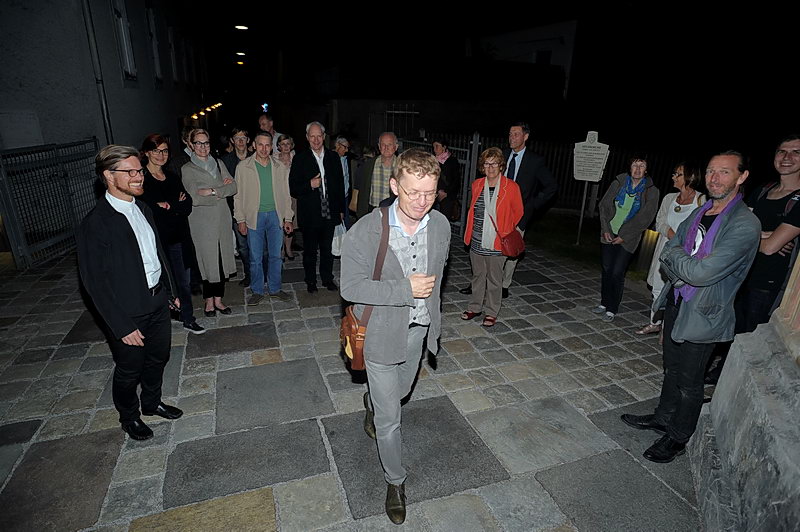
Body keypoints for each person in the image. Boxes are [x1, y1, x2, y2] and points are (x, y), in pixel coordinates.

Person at [620, 151, 760, 464]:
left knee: (690, 381)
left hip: (705, 313)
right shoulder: (702, 211)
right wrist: (683, 267)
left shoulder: (744, 224)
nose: (714, 178)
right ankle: (663, 417)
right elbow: (670, 248)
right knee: (671, 367)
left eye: (724, 172)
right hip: (678, 301)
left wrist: (681, 264)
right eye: (711, 171)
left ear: (742, 177)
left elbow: (702, 272)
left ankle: (678, 437)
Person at [340, 148, 450, 525]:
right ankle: (395, 481)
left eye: (429, 193)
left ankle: (373, 398)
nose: (422, 201)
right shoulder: (366, 230)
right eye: (413, 192)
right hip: (379, 334)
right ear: (393, 186)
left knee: (399, 393)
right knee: (391, 418)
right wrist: (404, 289)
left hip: (416, 331)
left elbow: (438, 282)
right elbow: (350, 287)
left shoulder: (441, 226)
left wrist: (433, 324)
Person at [77, 145, 184, 441]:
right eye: (131, 172)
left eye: (139, 170)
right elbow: (95, 283)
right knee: (129, 368)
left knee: (158, 357)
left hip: (157, 300)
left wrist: (170, 291)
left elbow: (157, 254)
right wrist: (121, 325)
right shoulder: (96, 223)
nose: (139, 176)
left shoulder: (143, 208)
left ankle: (151, 402)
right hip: (128, 311)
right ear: (108, 176)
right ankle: (129, 417)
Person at [705, 135, 800, 384]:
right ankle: (718, 373)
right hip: (739, 274)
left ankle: (732, 383)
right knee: (727, 329)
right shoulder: (762, 190)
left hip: (767, 284)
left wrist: (755, 237)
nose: (787, 157)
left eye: (795, 152)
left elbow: (769, 248)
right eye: (782, 151)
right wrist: (766, 235)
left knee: (748, 338)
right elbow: (731, 229)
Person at [459, 122, 556, 298]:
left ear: (526, 136)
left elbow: (551, 186)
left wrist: (532, 205)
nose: (512, 138)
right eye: (510, 134)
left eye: (516, 134)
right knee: (483, 250)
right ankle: (478, 284)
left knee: (509, 251)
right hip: (493, 213)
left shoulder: (535, 161)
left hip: (518, 214)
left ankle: (503, 284)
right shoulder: (501, 155)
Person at [139, 134, 204, 334]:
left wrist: (168, 206)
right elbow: (150, 210)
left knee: (183, 281)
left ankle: (188, 317)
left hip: (179, 238)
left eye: (165, 151)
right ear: (147, 152)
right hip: (156, 241)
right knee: (159, 282)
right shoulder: (142, 180)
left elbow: (187, 205)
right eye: (156, 150)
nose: (161, 155)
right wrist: (173, 205)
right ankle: (163, 317)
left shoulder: (173, 177)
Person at [637, 162, 706, 335]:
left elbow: (702, 228)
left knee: (678, 290)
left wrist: (683, 240)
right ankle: (654, 322)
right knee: (658, 286)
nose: (674, 177)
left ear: (690, 177)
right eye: (674, 173)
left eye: (678, 174)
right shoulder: (669, 198)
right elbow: (660, 221)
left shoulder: (702, 201)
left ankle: (669, 328)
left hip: (685, 254)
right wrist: (672, 235)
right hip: (664, 248)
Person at [461, 147, 523, 327]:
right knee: (478, 276)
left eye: (494, 163)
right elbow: (473, 209)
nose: (490, 167)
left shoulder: (511, 187)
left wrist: (505, 228)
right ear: (482, 166)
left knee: (495, 279)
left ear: (501, 165)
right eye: (487, 164)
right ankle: (475, 307)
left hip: (498, 241)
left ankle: (491, 311)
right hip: (477, 239)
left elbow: (518, 212)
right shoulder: (477, 184)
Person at [594, 156, 660, 321]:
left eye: (641, 166)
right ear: (629, 168)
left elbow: (646, 218)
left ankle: (612, 308)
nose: (637, 169)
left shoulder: (651, 191)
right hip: (609, 232)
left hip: (629, 238)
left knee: (617, 272)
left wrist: (624, 236)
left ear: (646, 170)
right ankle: (604, 302)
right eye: (634, 165)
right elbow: (604, 205)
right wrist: (605, 229)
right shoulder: (619, 182)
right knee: (607, 269)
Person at [181, 128, 238, 316]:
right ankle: (208, 302)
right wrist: (221, 190)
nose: (203, 147)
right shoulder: (188, 169)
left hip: (222, 219)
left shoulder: (219, 163)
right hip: (202, 222)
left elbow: (234, 187)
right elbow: (195, 198)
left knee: (221, 260)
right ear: (191, 145)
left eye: (206, 143)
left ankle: (219, 300)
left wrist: (212, 191)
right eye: (198, 143)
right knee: (207, 261)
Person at [233, 131, 294, 304]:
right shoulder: (243, 167)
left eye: (267, 145)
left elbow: (286, 194)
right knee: (255, 257)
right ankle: (257, 290)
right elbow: (238, 196)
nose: (264, 149)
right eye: (260, 144)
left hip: (276, 215)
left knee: (276, 255)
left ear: (271, 147)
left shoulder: (279, 167)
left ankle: (275, 288)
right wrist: (240, 219)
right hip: (254, 216)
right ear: (254, 145)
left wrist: (288, 217)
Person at [288, 121, 345, 293]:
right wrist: (310, 184)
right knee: (310, 251)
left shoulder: (333, 157)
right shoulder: (300, 159)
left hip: (330, 212)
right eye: (312, 136)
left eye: (319, 136)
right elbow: (293, 188)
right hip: (310, 214)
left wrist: (341, 209)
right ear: (307, 137)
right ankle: (311, 280)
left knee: (327, 249)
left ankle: (327, 278)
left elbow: (340, 185)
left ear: (324, 136)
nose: (316, 140)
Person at [220, 127, 254, 286]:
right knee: (243, 246)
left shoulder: (256, 157)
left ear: (248, 140)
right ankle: (249, 274)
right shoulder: (225, 161)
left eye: (243, 138)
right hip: (235, 209)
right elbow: (222, 185)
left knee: (261, 245)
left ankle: (262, 272)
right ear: (232, 141)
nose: (240, 141)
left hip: (256, 208)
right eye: (237, 138)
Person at [355, 132, 398, 218]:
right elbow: (360, 189)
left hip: (394, 212)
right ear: (379, 146)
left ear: (396, 147)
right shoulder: (368, 165)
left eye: (389, 144)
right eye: (383, 144)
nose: (386, 148)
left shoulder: (403, 167)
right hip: (372, 212)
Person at [275, 134, 298, 260]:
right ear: (278, 146)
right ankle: (281, 249)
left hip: (292, 195)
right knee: (280, 222)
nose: (285, 146)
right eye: (283, 144)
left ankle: (288, 248)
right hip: (278, 195)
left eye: (288, 144)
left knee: (291, 222)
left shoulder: (296, 158)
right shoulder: (273, 159)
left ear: (291, 145)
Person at [432, 138, 461, 221]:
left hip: (447, 196)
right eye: (433, 147)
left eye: (437, 146)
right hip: (433, 194)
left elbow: (456, 180)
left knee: (443, 220)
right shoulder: (432, 160)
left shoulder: (452, 161)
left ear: (444, 147)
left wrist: (446, 193)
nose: (434, 149)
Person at [334, 136, 356, 228]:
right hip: (336, 196)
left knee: (346, 220)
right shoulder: (331, 159)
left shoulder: (346, 159)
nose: (346, 150)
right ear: (337, 145)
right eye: (345, 147)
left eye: (348, 148)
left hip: (345, 195)